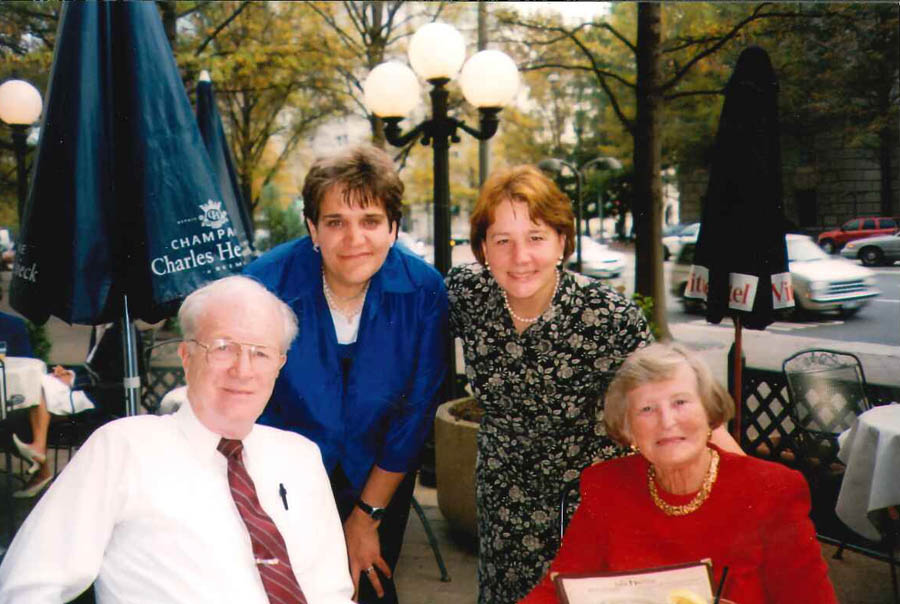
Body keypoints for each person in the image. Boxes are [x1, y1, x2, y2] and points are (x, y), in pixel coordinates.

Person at [445, 165, 741, 603]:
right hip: (504, 502)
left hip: (590, 508)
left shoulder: (605, 315)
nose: (520, 256)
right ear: (483, 248)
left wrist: (755, 491)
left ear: (563, 242)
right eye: (502, 240)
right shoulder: (469, 294)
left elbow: (674, 401)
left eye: (536, 237)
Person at [0, 276, 354, 603]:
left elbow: (331, 591)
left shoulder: (300, 456)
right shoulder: (124, 448)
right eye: (223, 347)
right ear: (186, 357)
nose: (243, 370)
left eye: (260, 353)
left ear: (279, 365)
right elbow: (28, 587)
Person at [244, 145, 448, 603]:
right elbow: (253, 406)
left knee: (368, 587)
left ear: (393, 227)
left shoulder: (423, 291)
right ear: (313, 229)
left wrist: (366, 516)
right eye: (335, 222)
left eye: (371, 221)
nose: (354, 238)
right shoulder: (264, 285)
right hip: (283, 481)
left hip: (378, 475)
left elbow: (414, 416)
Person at [521, 342, 838, 604]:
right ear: (629, 430)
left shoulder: (772, 490)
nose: (666, 421)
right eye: (647, 409)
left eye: (681, 402)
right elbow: (558, 590)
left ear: (709, 412)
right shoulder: (605, 485)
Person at [4, 323, 139, 498]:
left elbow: (114, 377)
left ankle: (40, 460)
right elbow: (93, 367)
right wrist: (69, 374)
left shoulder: (123, 331)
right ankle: (39, 457)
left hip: (103, 400)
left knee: (39, 392)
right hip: (88, 390)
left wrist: (74, 381)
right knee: (38, 392)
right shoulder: (101, 328)